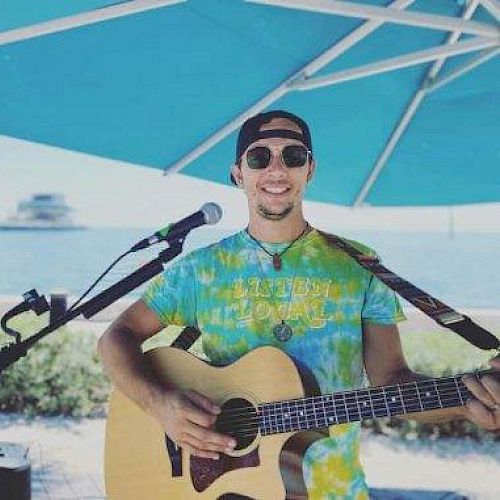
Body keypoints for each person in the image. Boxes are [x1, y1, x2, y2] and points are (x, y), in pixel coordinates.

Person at [98, 110, 500, 499]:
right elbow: (117, 337)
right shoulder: (202, 269)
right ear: (239, 173)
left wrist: (463, 402)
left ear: (309, 169)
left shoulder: (359, 266)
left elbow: (391, 380)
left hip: (336, 491)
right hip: (229, 489)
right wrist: (160, 405)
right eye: (259, 157)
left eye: (292, 155)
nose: (276, 169)